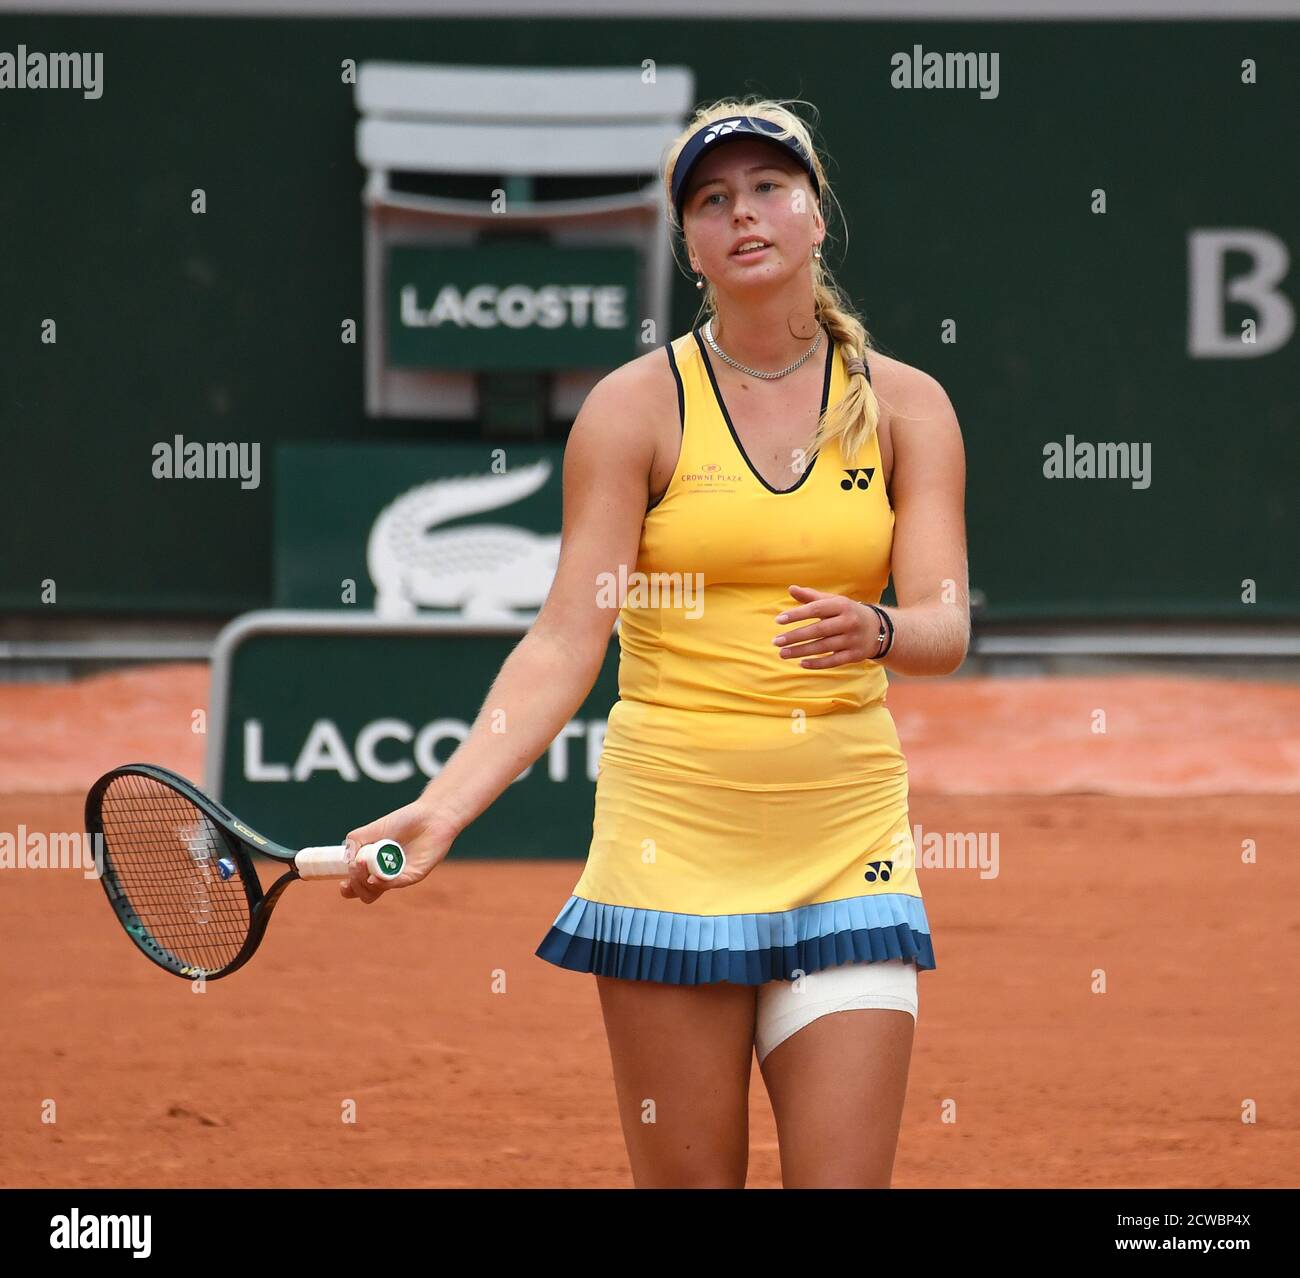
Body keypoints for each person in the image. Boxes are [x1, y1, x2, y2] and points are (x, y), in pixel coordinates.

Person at [340, 97, 969, 1189]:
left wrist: (877, 628)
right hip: (667, 842)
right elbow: (561, 641)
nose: (745, 214)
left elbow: (943, 626)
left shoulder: (908, 407)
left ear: (816, 216)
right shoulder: (634, 409)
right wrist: (442, 806)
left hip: (845, 839)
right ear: (689, 243)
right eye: (713, 200)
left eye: (770, 188)